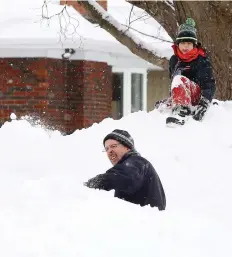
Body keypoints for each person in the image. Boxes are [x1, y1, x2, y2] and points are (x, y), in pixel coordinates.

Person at [84, 129, 166, 210]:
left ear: (127, 147)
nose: (109, 151)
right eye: (107, 149)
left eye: (113, 146)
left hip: (144, 221)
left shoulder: (136, 162)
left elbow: (123, 177)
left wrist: (92, 183)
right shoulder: (133, 166)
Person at [157, 18, 216, 125]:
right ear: (178, 44)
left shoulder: (201, 59)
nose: (185, 46)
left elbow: (209, 84)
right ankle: (177, 107)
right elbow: (174, 85)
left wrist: (204, 103)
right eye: (183, 43)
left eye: (189, 43)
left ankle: (181, 113)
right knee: (161, 106)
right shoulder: (174, 60)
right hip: (182, 95)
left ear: (194, 45)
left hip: (197, 95)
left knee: (179, 79)